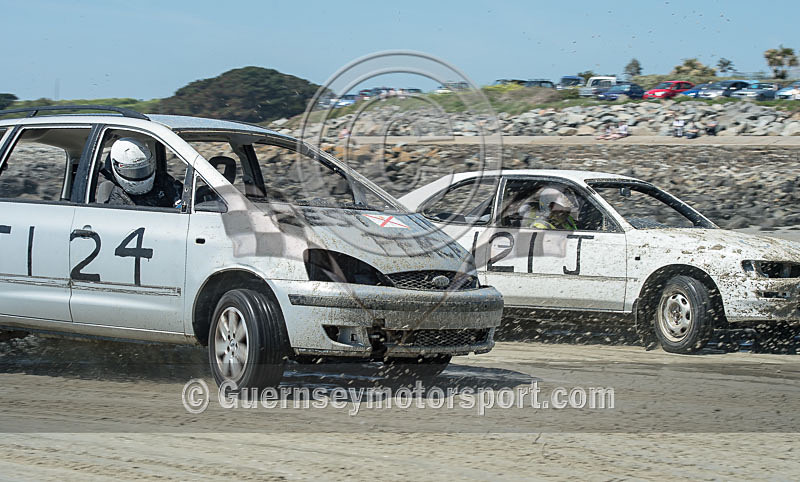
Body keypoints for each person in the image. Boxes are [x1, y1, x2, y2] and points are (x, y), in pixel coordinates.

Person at [106, 137, 182, 209]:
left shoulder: (161, 180)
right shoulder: (118, 199)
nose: (139, 175)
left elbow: (184, 197)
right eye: (132, 172)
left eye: (143, 170)